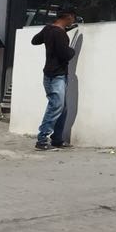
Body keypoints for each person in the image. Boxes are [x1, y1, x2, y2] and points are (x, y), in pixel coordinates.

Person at [31, 8, 77, 151]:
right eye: (73, 18)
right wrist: (72, 50)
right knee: (56, 106)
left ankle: (57, 139)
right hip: (57, 75)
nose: (74, 21)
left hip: (50, 74)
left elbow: (35, 41)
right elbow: (65, 54)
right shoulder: (60, 34)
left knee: (61, 108)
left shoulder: (49, 29)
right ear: (68, 17)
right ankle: (42, 139)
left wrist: (50, 38)